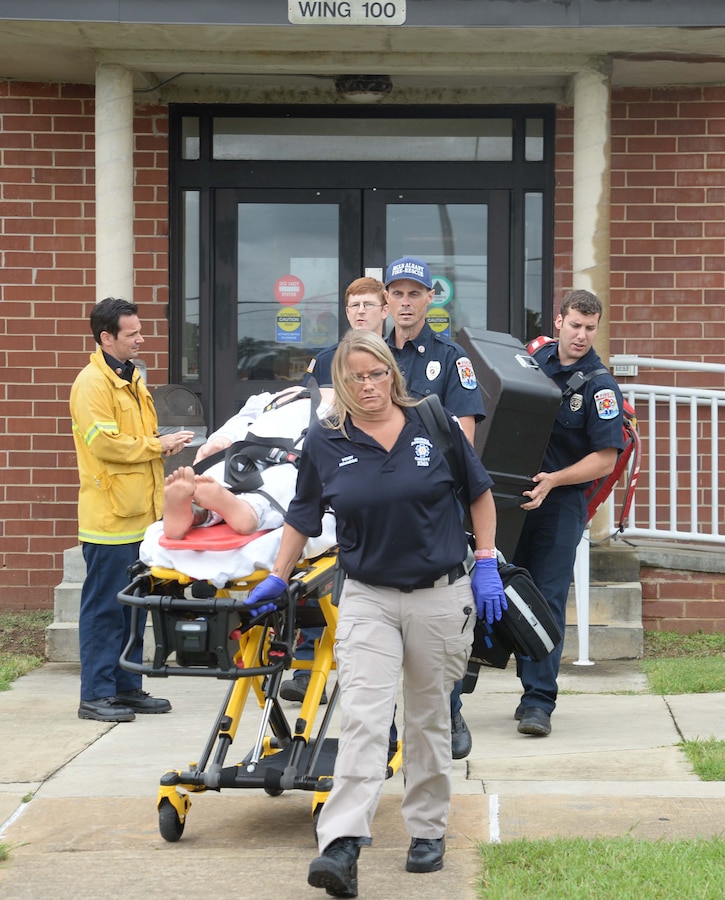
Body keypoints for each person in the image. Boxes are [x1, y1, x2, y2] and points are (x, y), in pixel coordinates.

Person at [244, 331, 505, 896]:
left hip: (439, 594)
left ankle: (427, 829)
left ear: (393, 373)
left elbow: (479, 493)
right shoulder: (325, 440)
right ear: (341, 382)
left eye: (378, 373)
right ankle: (341, 845)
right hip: (367, 595)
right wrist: (277, 574)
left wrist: (485, 560)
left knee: (429, 718)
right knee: (364, 716)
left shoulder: (433, 424)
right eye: (356, 377)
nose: (369, 386)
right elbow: (303, 514)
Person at [70, 297, 194, 722]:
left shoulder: (131, 378)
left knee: (132, 609)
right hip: (109, 520)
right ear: (106, 337)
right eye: (133, 333)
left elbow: (137, 440)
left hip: (140, 517)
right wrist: (157, 446)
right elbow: (104, 444)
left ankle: (127, 687)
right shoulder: (92, 384)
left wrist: (163, 444)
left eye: (141, 330)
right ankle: (96, 695)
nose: (142, 338)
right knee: (104, 610)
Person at [384, 256, 486, 760]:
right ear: (386, 300)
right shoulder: (368, 355)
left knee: (438, 619)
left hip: (432, 508)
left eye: (414, 294)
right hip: (378, 510)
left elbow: (463, 434)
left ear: (429, 299)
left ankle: (448, 710)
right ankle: (383, 726)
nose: (405, 302)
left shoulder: (449, 359)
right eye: (396, 294)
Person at [512, 289, 624, 737]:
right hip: (512, 498)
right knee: (489, 590)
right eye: (575, 324)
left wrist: (555, 480)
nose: (581, 335)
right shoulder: (532, 362)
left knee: (547, 598)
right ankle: (458, 692)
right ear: (558, 322)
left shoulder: (600, 385)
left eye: (590, 328)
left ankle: (538, 701)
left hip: (559, 504)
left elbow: (605, 459)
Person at [278, 277, 388, 703]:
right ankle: (309, 671)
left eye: (368, 304)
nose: (360, 311)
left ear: (384, 310)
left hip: (379, 482)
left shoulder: (395, 360)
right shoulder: (325, 361)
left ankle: (367, 666)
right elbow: (308, 416)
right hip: (333, 478)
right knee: (320, 567)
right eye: (354, 305)